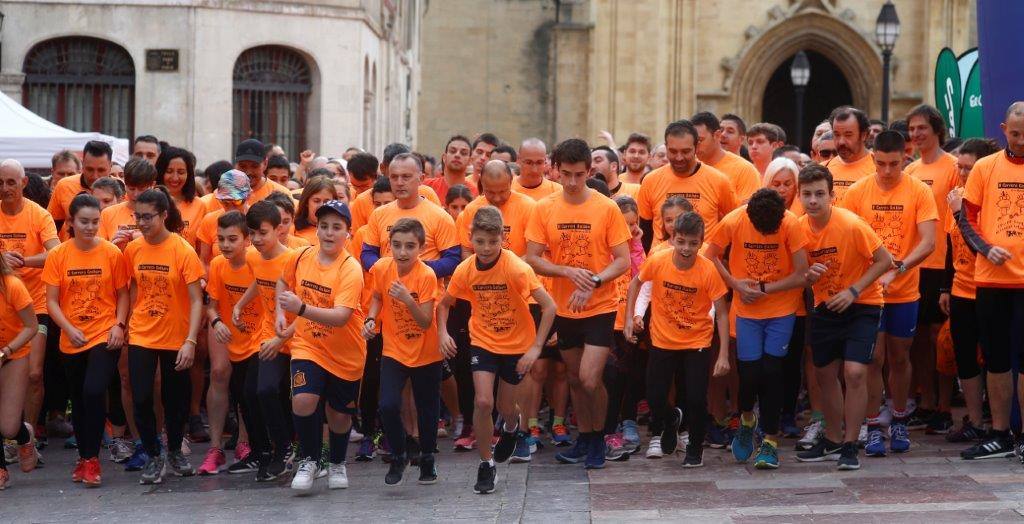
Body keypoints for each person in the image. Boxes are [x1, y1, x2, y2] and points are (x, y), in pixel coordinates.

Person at [524, 138, 632, 469]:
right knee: (573, 378)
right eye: (567, 174)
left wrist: (595, 279)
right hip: (563, 305)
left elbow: (623, 260)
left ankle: (599, 437)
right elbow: (532, 258)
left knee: (589, 378)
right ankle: (584, 436)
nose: (572, 182)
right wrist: (567, 270)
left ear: (589, 171)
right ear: (556, 171)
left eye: (580, 175)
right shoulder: (544, 207)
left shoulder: (606, 207)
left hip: (600, 306)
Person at [438, 206, 556, 493]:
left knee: (506, 407)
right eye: (480, 242)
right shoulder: (465, 269)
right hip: (483, 341)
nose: (487, 248)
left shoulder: (517, 267)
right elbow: (444, 303)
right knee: (482, 402)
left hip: (516, 345)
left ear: (503, 239)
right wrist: (442, 332)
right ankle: (486, 463)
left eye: (493, 242)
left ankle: (512, 428)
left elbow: (549, 306)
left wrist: (535, 348)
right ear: (471, 239)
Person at [840, 130, 937, 456]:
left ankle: (898, 416)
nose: (885, 171)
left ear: (904, 158)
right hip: (868, 292)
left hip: (904, 290)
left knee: (899, 356)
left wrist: (901, 268)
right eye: (879, 163)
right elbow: (847, 238)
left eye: (893, 164)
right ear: (873, 158)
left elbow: (928, 241)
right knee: (872, 358)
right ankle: (872, 423)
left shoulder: (919, 191)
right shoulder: (856, 191)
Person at [794, 164, 892, 471]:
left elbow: (885, 261)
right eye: (807, 194)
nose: (813, 201)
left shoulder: (851, 224)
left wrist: (854, 290)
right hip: (825, 307)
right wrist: (808, 275)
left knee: (855, 373)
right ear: (799, 196)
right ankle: (833, 441)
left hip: (863, 304)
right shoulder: (797, 228)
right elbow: (798, 274)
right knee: (825, 375)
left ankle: (850, 444)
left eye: (820, 194)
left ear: (832, 196)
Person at [705, 188, 809, 469]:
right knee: (749, 375)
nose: (764, 235)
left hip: (781, 310)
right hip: (747, 311)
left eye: (770, 230)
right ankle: (747, 419)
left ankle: (770, 443)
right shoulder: (734, 220)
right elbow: (710, 254)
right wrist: (734, 283)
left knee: (773, 372)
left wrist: (766, 288)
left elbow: (802, 274)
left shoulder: (791, 223)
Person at [624, 211, 730, 467]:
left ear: (701, 242)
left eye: (693, 243)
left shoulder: (707, 269)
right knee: (655, 397)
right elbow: (635, 284)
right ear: (673, 238)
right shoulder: (658, 260)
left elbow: (723, 314)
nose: (686, 248)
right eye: (681, 241)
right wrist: (630, 318)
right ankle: (671, 419)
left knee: (695, 398)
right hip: (662, 341)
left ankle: (694, 447)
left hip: (697, 343)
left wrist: (724, 354)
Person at [277, 200, 364, 492]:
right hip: (307, 345)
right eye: (324, 226)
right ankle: (309, 460)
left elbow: (341, 317)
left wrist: (300, 308)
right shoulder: (301, 256)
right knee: (303, 400)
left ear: (347, 234)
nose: (329, 233)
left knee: (339, 415)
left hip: (345, 354)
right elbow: (281, 281)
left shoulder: (351, 269)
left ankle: (337, 462)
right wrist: (280, 313)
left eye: (336, 227)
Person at [42, 193, 129, 486]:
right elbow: (51, 301)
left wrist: (119, 325)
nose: (91, 227)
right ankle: (84, 457)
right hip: (71, 337)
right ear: (71, 222)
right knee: (78, 399)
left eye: (95, 222)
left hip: (104, 334)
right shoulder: (58, 255)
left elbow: (123, 293)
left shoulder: (111, 253)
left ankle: (93, 461)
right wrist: (67, 327)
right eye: (84, 222)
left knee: (94, 391)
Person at [955, 101, 1024, 460]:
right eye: (1015, 134)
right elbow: (966, 218)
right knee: (996, 359)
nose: (1022, 140)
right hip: (992, 280)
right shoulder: (985, 167)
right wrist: (986, 248)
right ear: (1003, 129)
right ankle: (1000, 433)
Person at [123, 187, 204, 484]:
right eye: (138, 217)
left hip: (176, 334)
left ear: (164, 215)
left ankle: (174, 451)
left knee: (176, 399)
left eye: (148, 217)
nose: (142, 223)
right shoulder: (133, 249)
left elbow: (197, 299)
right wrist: (127, 321)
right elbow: (131, 287)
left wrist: (190, 340)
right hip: (142, 332)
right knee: (141, 395)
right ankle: (154, 454)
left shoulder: (182, 249)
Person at [362, 218, 441, 485]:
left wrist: (407, 298)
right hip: (394, 349)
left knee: (427, 408)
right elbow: (376, 297)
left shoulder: (426, 275)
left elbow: (426, 321)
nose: (402, 252)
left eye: (409, 246)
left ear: (421, 247)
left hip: (426, 352)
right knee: (387, 404)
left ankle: (427, 458)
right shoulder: (382, 268)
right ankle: (399, 455)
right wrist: (371, 319)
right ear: (389, 246)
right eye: (396, 245)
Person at [902, 105, 961, 433]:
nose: (916, 135)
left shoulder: (952, 167)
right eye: (912, 129)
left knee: (940, 338)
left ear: (937, 129)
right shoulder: (909, 172)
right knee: (919, 338)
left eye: (922, 128)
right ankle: (924, 402)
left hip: (942, 263)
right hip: (914, 264)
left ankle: (942, 404)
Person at [202, 211, 273, 478]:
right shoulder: (219, 264)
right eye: (221, 239)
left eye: (233, 239)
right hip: (235, 341)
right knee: (243, 398)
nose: (226, 244)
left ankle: (271, 451)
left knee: (256, 394)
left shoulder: (257, 261)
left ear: (247, 240)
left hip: (260, 339)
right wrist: (218, 322)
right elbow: (212, 306)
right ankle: (256, 452)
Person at [231, 201, 297, 478]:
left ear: (280, 228)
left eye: (263, 233)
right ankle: (264, 451)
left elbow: (308, 307)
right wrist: (240, 305)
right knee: (249, 392)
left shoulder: (294, 259)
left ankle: (286, 449)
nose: (257, 239)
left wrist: (281, 342)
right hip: (267, 335)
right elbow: (260, 281)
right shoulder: (253, 257)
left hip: (294, 340)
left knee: (270, 391)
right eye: (253, 233)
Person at [941, 138, 1000, 447]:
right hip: (961, 288)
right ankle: (974, 421)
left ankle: (998, 422)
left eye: (969, 168)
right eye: (959, 167)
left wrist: (957, 214)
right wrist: (945, 287)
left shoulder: (989, 200)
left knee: (994, 357)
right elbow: (952, 247)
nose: (962, 173)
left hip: (990, 288)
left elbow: (982, 247)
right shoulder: (957, 196)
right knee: (965, 358)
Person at [0, 159, 60, 453]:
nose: (5, 188)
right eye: (0, 183)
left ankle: (29, 434)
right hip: (3, 305)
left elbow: (56, 255)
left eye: (11, 182)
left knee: (35, 373)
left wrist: (23, 261)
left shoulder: (39, 215)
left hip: (35, 303)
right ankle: (12, 434)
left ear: (24, 183)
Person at [637, 119, 738, 250]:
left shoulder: (718, 180)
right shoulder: (651, 180)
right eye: (673, 151)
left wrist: (719, 258)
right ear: (666, 147)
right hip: (661, 264)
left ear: (696, 147)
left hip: (703, 265)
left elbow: (734, 225)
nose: (679, 157)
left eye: (685, 151)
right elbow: (645, 228)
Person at [361, 153, 460, 279]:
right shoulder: (378, 214)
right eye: (394, 177)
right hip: (387, 293)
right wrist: (387, 269)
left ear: (421, 178)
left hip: (426, 296)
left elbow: (452, 260)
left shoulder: (440, 216)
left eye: (406, 177)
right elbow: (367, 253)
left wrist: (414, 269)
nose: (399, 183)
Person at [692, 112, 762, 203]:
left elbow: (746, 212)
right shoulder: (688, 167)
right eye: (721, 130)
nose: (723, 135)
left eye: (700, 140)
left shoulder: (745, 170)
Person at [49, 141, 113, 234]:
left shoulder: (122, 189)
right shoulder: (64, 186)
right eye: (90, 169)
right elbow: (51, 230)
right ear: (82, 165)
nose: (95, 176)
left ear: (110, 167)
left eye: (101, 170)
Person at [196, 170, 252, 270]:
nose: (231, 208)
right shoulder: (210, 220)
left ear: (248, 196)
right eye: (225, 202)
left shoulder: (258, 220)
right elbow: (204, 261)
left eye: (237, 202)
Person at [98, 158, 157, 250]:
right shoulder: (107, 214)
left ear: (152, 185)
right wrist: (113, 246)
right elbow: (98, 252)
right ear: (124, 183)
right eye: (131, 188)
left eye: (141, 189)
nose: (136, 194)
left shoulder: (162, 214)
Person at [156, 147, 207, 247]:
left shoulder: (199, 206)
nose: (175, 178)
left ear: (189, 175)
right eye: (169, 171)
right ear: (161, 172)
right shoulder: (149, 202)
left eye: (181, 172)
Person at [823, 106, 875, 201]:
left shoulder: (879, 168)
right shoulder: (823, 169)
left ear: (864, 135)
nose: (841, 142)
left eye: (848, 135)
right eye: (837, 135)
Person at [233, 139, 290, 206]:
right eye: (243, 166)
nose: (248, 172)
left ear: (265, 164)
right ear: (235, 165)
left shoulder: (282, 195)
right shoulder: (223, 195)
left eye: (254, 166)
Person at [424, 135, 477, 202]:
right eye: (452, 151)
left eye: (463, 153)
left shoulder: (475, 193)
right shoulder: (427, 186)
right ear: (444, 158)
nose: (457, 155)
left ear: (470, 161)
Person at [292, 176, 339, 246]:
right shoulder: (292, 228)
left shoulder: (340, 232)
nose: (321, 206)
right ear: (306, 202)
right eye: (316, 201)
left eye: (327, 201)